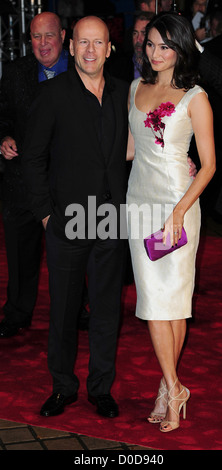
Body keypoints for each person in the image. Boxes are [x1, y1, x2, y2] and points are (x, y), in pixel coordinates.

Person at [22, 16, 129, 418]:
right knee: (64, 312)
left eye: (97, 43)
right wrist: (46, 216)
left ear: (108, 48)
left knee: (106, 310)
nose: (89, 51)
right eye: (82, 43)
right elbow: (32, 158)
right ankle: (63, 386)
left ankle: (100, 387)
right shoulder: (52, 94)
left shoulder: (122, 93)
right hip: (65, 222)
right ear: (71, 47)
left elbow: (135, 150)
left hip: (110, 220)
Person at [126, 12, 216, 432]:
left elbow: (209, 165)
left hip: (178, 207)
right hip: (139, 205)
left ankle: (171, 388)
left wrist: (180, 210)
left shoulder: (195, 96)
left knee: (173, 302)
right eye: (150, 44)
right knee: (153, 303)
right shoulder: (134, 88)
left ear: (180, 48)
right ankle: (173, 385)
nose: (156, 53)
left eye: (165, 45)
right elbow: (129, 150)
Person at [0, 11, 89, 338]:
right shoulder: (15, 73)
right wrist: (4, 138)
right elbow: (3, 116)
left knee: (72, 249)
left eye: (48, 35)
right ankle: (17, 313)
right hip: (21, 183)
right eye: (35, 37)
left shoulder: (85, 70)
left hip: (69, 183)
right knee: (20, 254)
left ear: (63, 36)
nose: (42, 44)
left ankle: (77, 309)